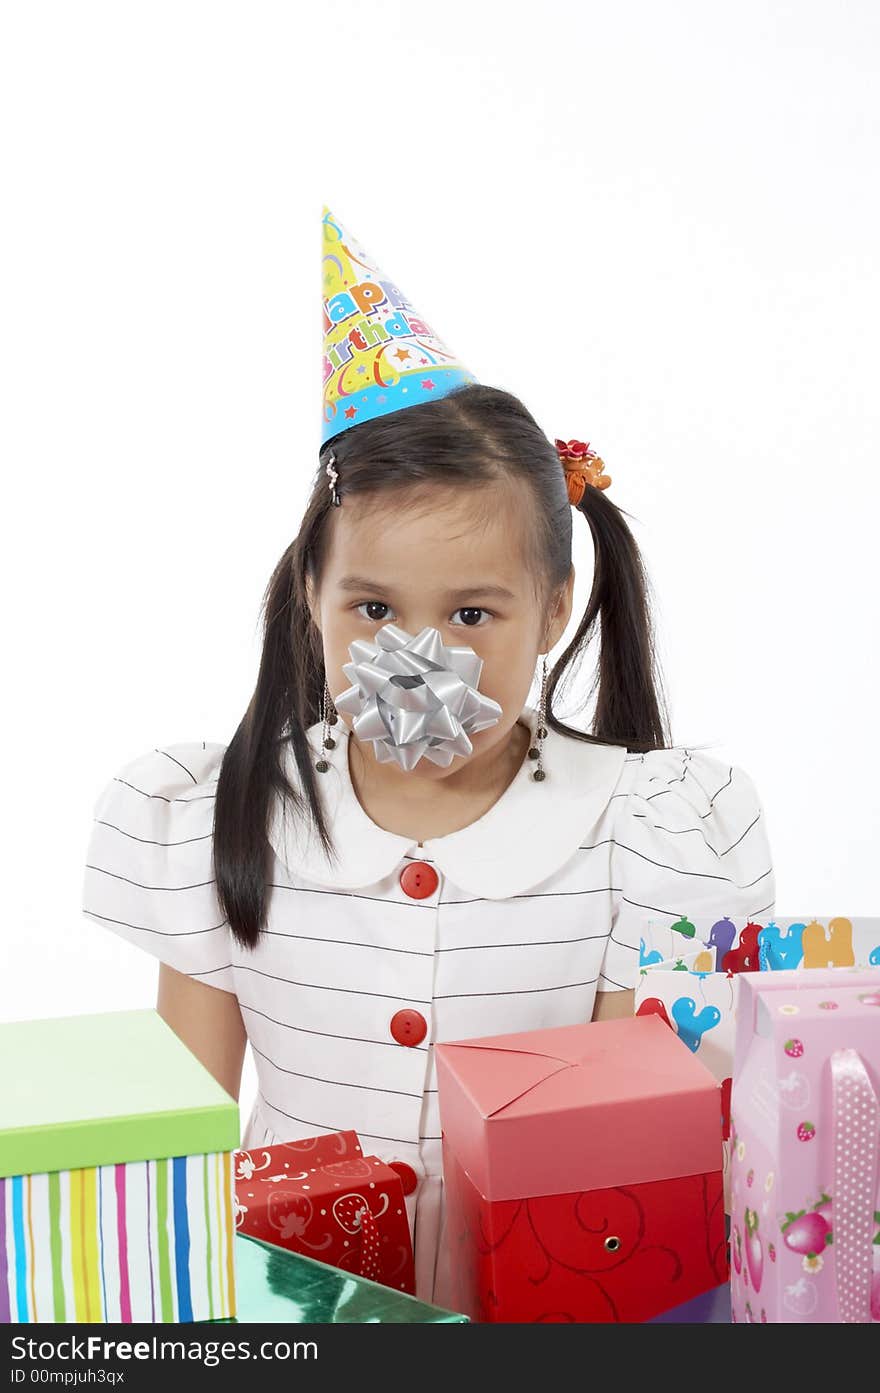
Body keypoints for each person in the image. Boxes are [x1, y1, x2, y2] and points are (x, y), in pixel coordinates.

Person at [81, 208, 775, 1310]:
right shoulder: (221, 814)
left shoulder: (637, 830)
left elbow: (611, 1162)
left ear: (551, 609)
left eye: (470, 612)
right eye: (372, 606)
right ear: (311, 596)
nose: (419, 659)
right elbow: (184, 1145)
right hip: (291, 1304)